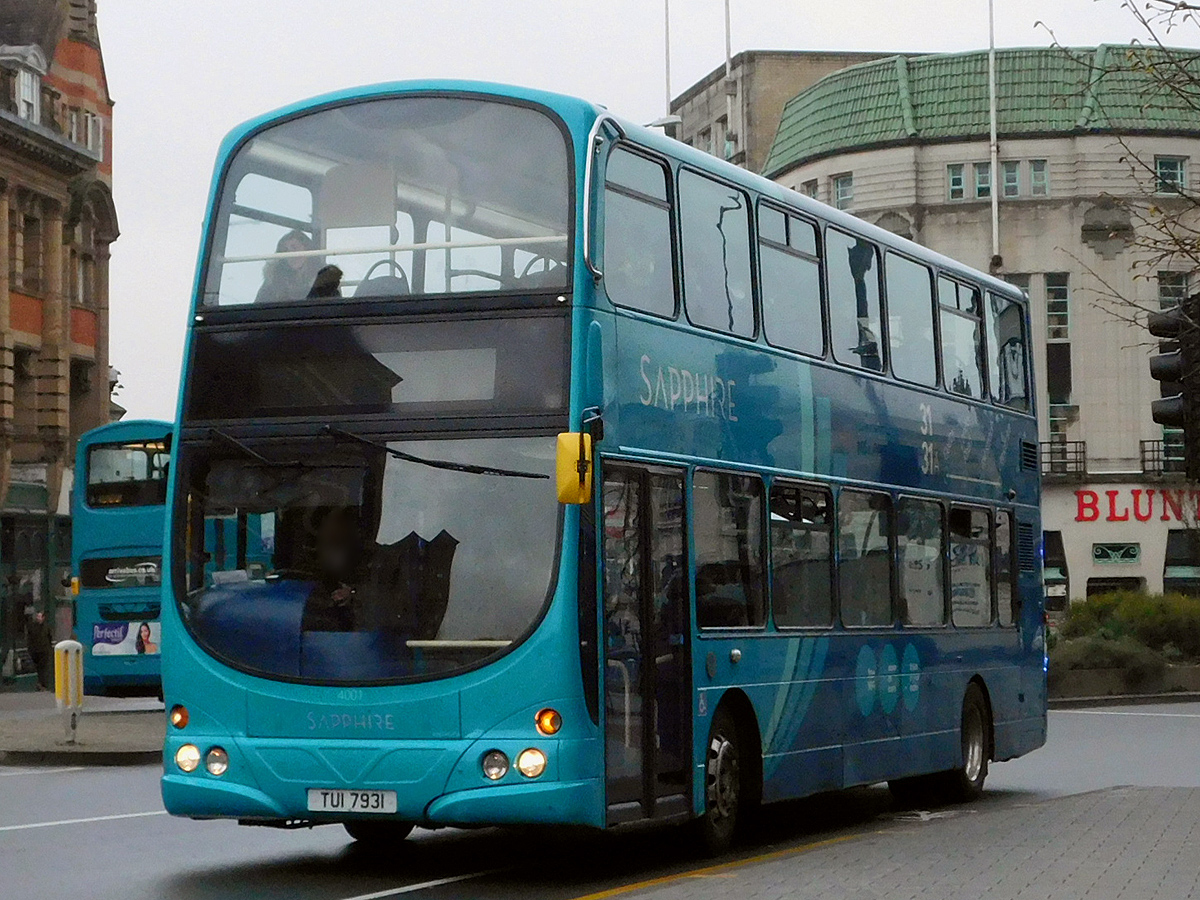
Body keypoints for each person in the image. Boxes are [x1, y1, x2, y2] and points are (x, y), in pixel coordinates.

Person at [255, 230, 323, 303]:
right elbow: (258, 309)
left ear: (307, 249)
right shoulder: (273, 281)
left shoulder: (324, 276)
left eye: (294, 248)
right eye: (286, 250)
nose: (290, 254)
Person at [25, 609, 53, 690]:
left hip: (44, 650)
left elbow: (49, 638)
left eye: (40, 616)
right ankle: (40, 683)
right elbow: (30, 638)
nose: (39, 618)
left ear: (43, 618)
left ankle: (42, 684)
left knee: (43, 667)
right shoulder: (33, 627)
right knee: (38, 668)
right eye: (38, 616)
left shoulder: (46, 627)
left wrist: (48, 648)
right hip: (35, 650)